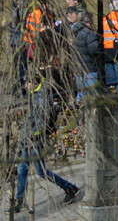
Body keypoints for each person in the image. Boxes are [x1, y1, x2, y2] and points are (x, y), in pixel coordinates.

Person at [7, 76, 80, 214]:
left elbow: (40, 122)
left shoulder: (42, 98)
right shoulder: (33, 96)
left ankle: (69, 188)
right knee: (22, 170)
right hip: (27, 141)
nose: (25, 86)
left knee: (41, 172)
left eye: (27, 83)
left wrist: (31, 137)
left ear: (33, 83)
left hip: (34, 141)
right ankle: (20, 201)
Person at [71, 9, 100, 100]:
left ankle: (80, 110)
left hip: (78, 67)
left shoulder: (74, 32)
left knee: (81, 92)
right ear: (89, 21)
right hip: (90, 68)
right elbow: (94, 50)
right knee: (92, 93)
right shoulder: (89, 33)